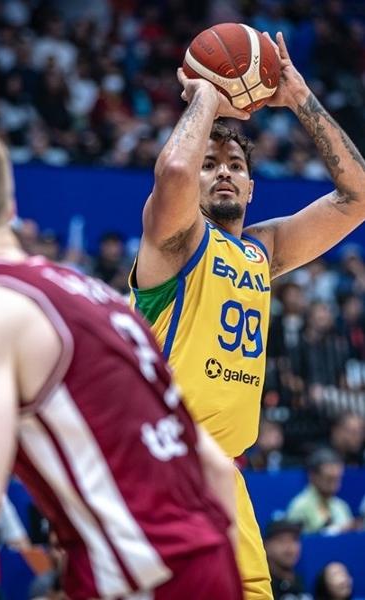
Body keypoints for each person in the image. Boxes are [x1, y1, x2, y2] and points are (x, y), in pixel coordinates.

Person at [0, 124, 243, 600]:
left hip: (144, 579)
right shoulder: (97, 297)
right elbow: (212, 466)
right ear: (7, 212)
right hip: (207, 569)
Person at [129, 31, 365, 600]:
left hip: (227, 477)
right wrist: (208, 94)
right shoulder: (173, 242)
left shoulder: (263, 251)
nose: (224, 172)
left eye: (235, 163)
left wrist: (300, 97)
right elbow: (174, 175)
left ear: (253, 187)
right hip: (165, 465)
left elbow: (357, 196)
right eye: (212, 164)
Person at [287, 448, 354, 534]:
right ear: (312, 476)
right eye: (329, 479)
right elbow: (294, 541)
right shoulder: (300, 507)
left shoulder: (341, 506)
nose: (334, 485)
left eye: (337, 479)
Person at [263, 519, 310, 600]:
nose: (289, 548)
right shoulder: (263, 585)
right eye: (282, 540)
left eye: (294, 540)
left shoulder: (300, 582)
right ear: (266, 546)